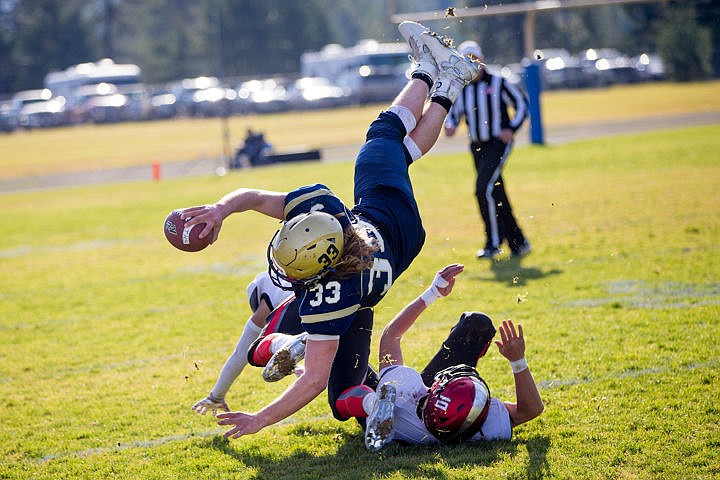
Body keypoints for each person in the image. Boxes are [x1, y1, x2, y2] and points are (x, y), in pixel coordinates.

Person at [177, 21, 482, 439]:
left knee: (397, 145)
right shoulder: (326, 213)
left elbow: (313, 380)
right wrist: (220, 209)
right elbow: (312, 379)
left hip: (394, 247)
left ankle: (440, 74)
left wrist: (258, 419)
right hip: (385, 219)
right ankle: (431, 73)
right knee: (382, 138)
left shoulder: (328, 286)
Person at [332, 263, 544, 451]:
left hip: (398, 403)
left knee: (341, 358)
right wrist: (518, 361)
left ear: (436, 388)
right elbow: (531, 409)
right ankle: (371, 402)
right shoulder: (482, 426)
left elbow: (391, 335)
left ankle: (371, 403)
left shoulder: (408, 387)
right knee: (476, 325)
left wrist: (433, 292)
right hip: (410, 415)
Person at [444, 41, 532, 260]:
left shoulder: (499, 82)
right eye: (467, 58)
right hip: (477, 146)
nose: (472, 62)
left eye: (475, 57)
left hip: (497, 144)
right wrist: (451, 125)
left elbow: (521, 103)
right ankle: (518, 242)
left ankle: (493, 243)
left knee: (483, 189)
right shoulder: (462, 87)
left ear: (482, 59)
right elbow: (454, 113)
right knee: (496, 191)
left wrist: (511, 128)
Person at [190, 271, 293, 415]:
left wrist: (216, 396)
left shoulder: (267, 303)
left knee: (259, 353)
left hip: (302, 309)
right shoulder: (282, 278)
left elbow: (241, 353)